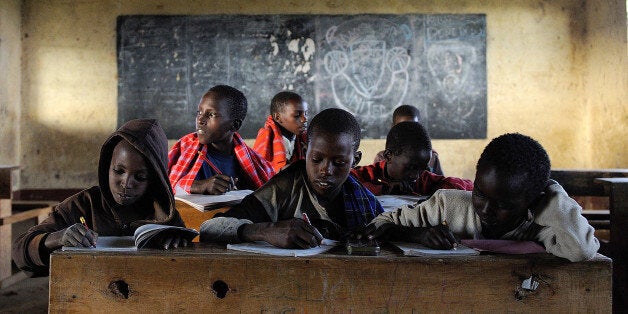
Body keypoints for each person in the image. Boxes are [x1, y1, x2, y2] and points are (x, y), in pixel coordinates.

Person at [363, 133, 599, 262]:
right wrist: (418, 234)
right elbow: (378, 226)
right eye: (479, 193)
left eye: (503, 204)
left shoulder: (542, 229)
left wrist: (551, 193)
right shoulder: (447, 205)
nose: (485, 209)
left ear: (533, 200)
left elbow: (580, 250)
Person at [12, 119, 187, 276]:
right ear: (107, 166)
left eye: (140, 177)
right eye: (118, 171)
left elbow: (185, 270)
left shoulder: (165, 215)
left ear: (155, 179)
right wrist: (56, 238)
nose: (126, 183)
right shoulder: (82, 205)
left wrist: (177, 247)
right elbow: (20, 253)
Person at [199, 108, 384, 248]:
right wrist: (266, 230)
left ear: (355, 161)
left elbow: (385, 229)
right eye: (317, 159)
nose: (325, 170)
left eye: (339, 163)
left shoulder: (363, 200)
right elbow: (210, 228)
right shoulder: (284, 188)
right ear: (304, 153)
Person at [168, 85, 275, 195]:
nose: (200, 120)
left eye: (211, 114)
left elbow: (268, 196)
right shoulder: (184, 149)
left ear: (234, 125)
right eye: (199, 112)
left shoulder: (253, 164)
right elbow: (164, 188)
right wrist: (198, 185)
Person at [352, 121, 473, 196]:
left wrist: (437, 191)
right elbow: (343, 184)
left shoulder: (423, 180)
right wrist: (383, 189)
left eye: (422, 169)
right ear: (389, 156)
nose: (416, 176)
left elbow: (469, 186)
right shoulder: (367, 175)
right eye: (411, 168)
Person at [374, 105, 444, 175]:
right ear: (393, 127)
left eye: (413, 125)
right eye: (402, 126)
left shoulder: (430, 156)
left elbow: (441, 182)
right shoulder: (382, 157)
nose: (408, 130)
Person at [253, 91, 308, 172]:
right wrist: (282, 170)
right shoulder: (266, 136)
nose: (304, 119)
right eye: (297, 115)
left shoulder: (306, 138)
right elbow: (260, 172)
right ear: (278, 117)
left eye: (306, 114)